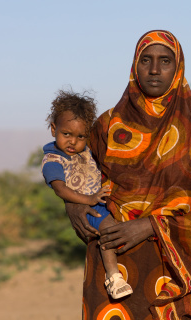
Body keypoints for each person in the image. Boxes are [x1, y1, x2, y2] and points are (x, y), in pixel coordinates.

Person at [65, 30, 191, 320]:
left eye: (165, 61)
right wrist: (72, 207)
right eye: (146, 60)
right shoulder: (108, 124)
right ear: (134, 67)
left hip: (168, 267)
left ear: (177, 68)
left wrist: (152, 226)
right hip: (111, 262)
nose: (154, 69)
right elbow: (71, 165)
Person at [41, 90, 133, 299]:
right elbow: (60, 189)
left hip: (100, 199)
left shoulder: (86, 151)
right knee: (110, 231)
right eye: (67, 134)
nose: (73, 142)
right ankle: (113, 277)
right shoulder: (53, 161)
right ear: (54, 129)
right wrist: (88, 200)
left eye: (80, 136)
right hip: (88, 206)